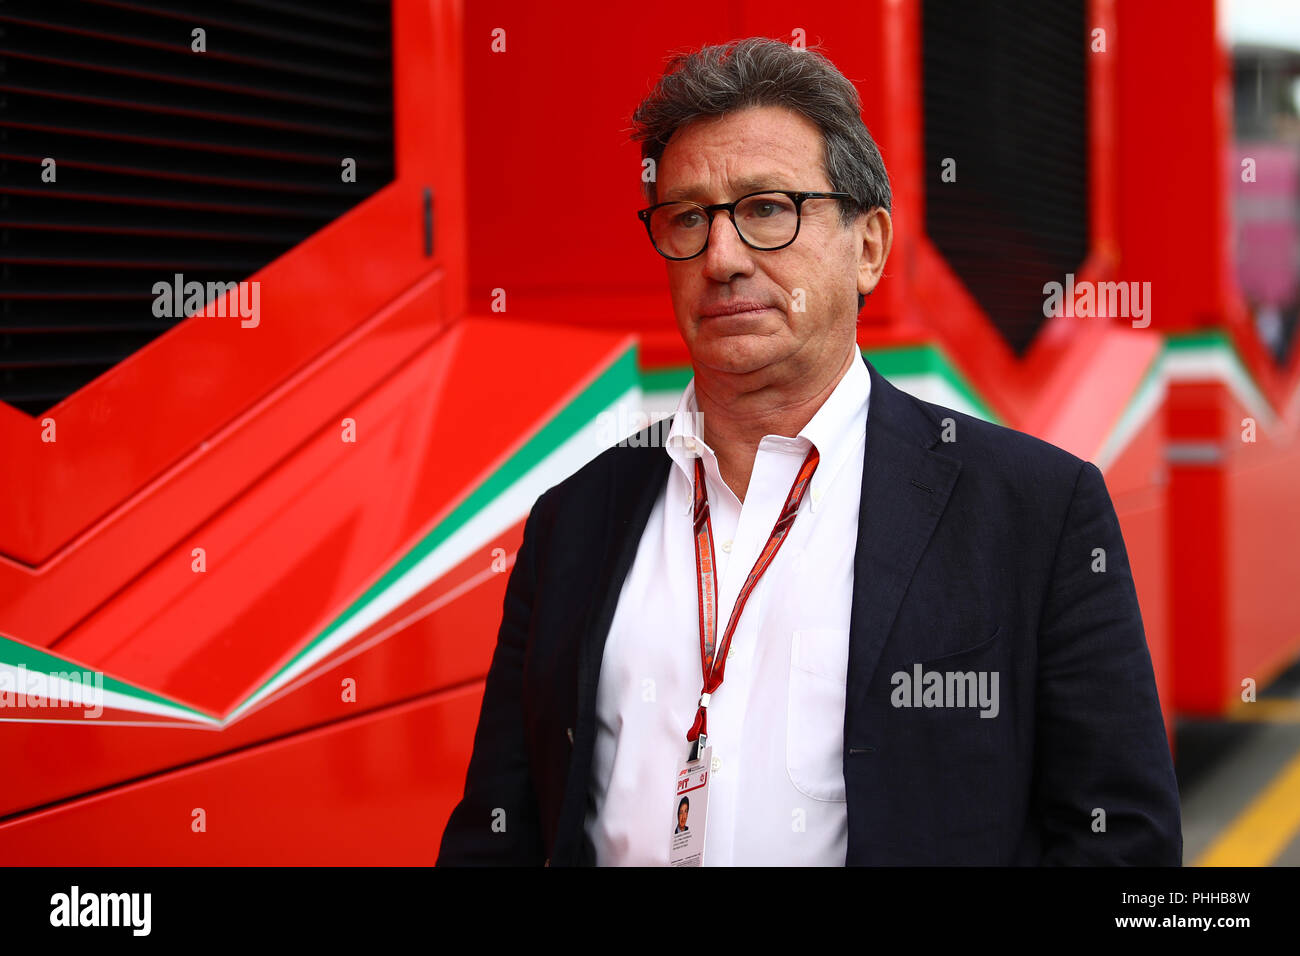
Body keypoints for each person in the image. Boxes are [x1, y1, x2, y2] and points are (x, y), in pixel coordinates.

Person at [437, 37, 1181, 866]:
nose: (720, 258)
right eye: (687, 217)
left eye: (767, 208)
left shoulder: (1036, 511)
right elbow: (496, 832)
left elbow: (1125, 842)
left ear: (869, 247)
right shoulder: (572, 520)